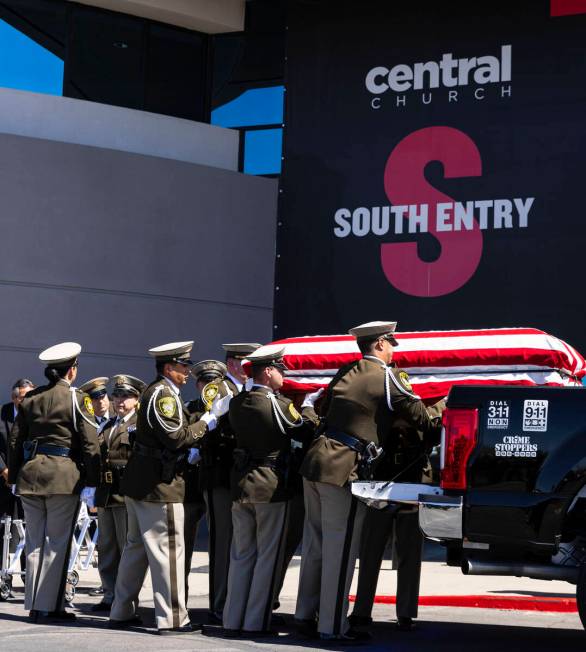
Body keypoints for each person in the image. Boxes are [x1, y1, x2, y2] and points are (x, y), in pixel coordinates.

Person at [295, 321, 444, 642]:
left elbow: (322, 407)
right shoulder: (387, 378)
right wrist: (447, 404)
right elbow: (421, 418)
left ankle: (305, 615)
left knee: (316, 546)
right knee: (341, 549)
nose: (393, 351)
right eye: (391, 344)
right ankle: (333, 626)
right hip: (343, 467)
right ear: (379, 345)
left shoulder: (346, 370)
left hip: (315, 461)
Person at [108, 341, 219, 635]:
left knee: (136, 550)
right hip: (159, 486)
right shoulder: (163, 394)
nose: (188, 371)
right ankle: (171, 619)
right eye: (184, 366)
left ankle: (121, 610)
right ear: (169, 368)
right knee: (168, 551)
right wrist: (208, 421)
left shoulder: (161, 392)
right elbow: (176, 438)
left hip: (143, 483)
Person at [221, 344, 317, 637]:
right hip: (269, 486)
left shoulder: (237, 402)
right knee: (267, 557)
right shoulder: (276, 403)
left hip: (241, 485)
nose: (283, 376)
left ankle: (232, 619)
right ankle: (255, 621)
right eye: (281, 370)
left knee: (241, 555)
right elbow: (304, 428)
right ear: (269, 371)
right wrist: (310, 404)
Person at [8, 342, 100, 622]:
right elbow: (90, 444)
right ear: (71, 371)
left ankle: (38, 605)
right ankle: (49, 608)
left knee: (36, 541)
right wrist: (94, 482)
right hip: (63, 477)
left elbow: (15, 440)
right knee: (57, 542)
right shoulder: (76, 398)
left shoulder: (31, 398)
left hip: (31, 475)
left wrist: (14, 477)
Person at [349, 410, 442, 631]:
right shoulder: (382, 407)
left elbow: (436, 427)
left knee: (409, 554)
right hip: (380, 486)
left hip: (412, 486)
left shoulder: (423, 409)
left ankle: (406, 613)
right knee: (370, 552)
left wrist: (413, 419)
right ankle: (362, 611)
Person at [196, 343, 260, 622]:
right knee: (223, 541)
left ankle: (236, 598)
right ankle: (219, 603)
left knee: (240, 542)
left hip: (238, 474)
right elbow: (211, 429)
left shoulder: (246, 391)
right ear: (234, 363)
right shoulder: (218, 389)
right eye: (246, 362)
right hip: (220, 474)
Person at [91, 374, 146, 613]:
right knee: (106, 547)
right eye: (117, 396)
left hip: (125, 493)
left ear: (136, 399)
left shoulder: (139, 425)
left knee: (127, 548)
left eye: (126, 396)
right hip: (106, 493)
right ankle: (109, 594)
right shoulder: (107, 424)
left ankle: (125, 598)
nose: (120, 401)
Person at [0, 379, 35, 595]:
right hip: (3, 484)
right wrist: (4, 470)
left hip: (28, 482)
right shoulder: (2, 414)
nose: (29, 400)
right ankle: (4, 578)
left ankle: (28, 579)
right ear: (15, 398)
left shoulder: (38, 416)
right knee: (5, 531)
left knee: (28, 529)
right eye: (24, 397)